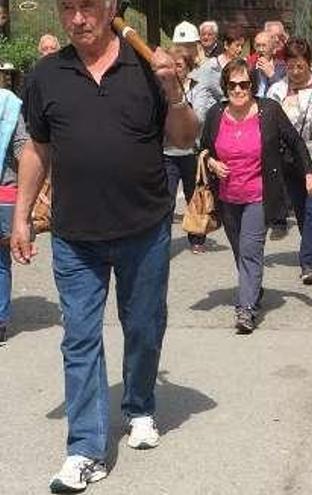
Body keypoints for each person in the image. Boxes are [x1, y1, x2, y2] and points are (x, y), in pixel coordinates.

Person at [11, 0, 198, 491]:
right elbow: (37, 148)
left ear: (112, 6)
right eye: (67, 8)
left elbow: (183, 139)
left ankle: (140, 406)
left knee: (142, 326)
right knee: (79, 337)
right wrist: (22, 217)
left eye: (88, 6)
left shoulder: (144, 64)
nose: (77, 18)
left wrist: (173, 89)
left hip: (145, 228)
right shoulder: (47, 74)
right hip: (76, 237)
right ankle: (84, 449)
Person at [202, 59, 312, 333]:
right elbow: (204, 148)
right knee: (239, 251)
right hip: (227, 196)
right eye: (232, 85)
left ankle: (246, 310)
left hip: (259, 195)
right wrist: (211, 163)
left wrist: (309, 173)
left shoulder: (269, 110)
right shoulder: (216, 114)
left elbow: (295, 141)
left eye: (244, 84)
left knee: (251, 251)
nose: (239, 90)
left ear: (252, 85)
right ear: (225, 87)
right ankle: (253, 289)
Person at [267, 38, 312, 285]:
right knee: (301, 210)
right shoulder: (276, 91)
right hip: (291, 160)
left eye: (300, 66)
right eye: (290, 66)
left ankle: (308, 262)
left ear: (308, 63)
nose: (296, 72)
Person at [164, 46, 206, 254]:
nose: (175, 69)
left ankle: (197, 236)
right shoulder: (161, 87)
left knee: (193, 196)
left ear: (188, 68)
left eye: (179, 65)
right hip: (167, 152)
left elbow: (199, 118)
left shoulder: (197, 88)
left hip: (191, 151)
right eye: (171, 65)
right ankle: (161, 241)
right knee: (166, 198)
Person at [0, 81, 27, 346]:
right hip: (6, 195)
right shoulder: (8, 103)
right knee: (0, 261)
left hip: (4, 197)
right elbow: (22, 147)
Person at [248, 31, 286, 98]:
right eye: (258, 46)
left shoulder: (282, 67)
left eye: (264, 45)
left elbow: (284, 91)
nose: (261, 49)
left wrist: (272, 75)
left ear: (272, 48)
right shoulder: (251, 67)